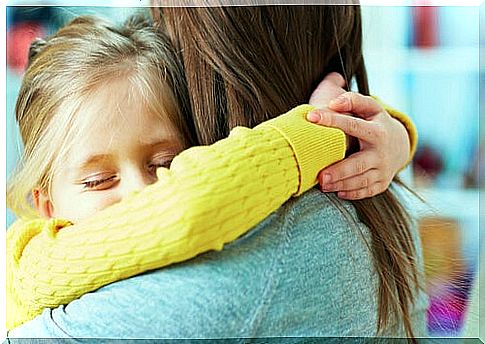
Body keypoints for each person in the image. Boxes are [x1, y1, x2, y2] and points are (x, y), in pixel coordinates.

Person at [7, 7, 424, 340]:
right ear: (45, 204)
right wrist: (334, 133)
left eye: (167, 165)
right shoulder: (34, 263)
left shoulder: (269, 253)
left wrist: (369, 131)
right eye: (99, 181)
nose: (142, 195)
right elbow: (190, 205)